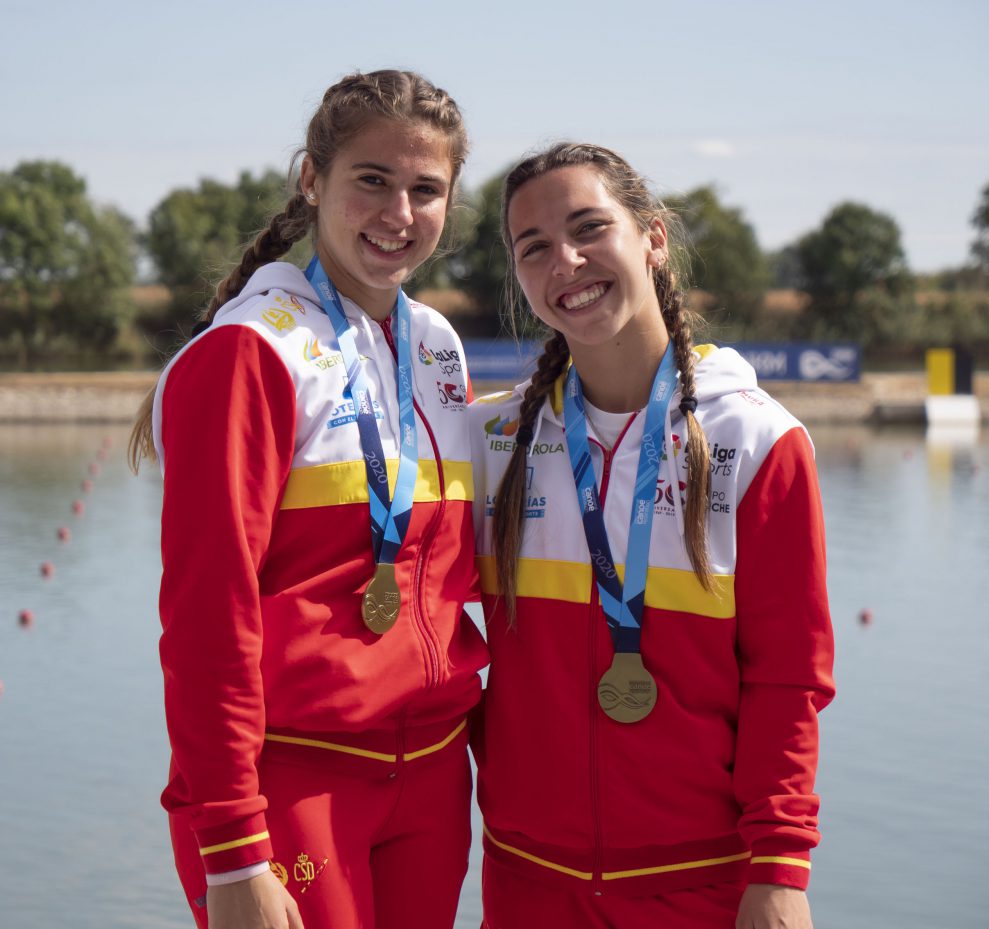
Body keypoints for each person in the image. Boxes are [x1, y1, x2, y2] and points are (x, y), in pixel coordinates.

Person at [129, 70, 488, 929]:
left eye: (425, 189)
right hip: (293, 777)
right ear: (313, 179)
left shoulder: (435, 345)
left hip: (433, 773)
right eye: (373, 179)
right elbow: (208, 614)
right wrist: (232, 848)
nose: (398, 212)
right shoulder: (249, 352)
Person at [468, 142, 835, 929]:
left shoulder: (758, 441)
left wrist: (780, 867)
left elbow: (787, 679)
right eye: (534, 247)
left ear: (653, 238)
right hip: (528, 880)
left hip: (701, 883)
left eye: (588, 228)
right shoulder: (490, 442)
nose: (566, 262)